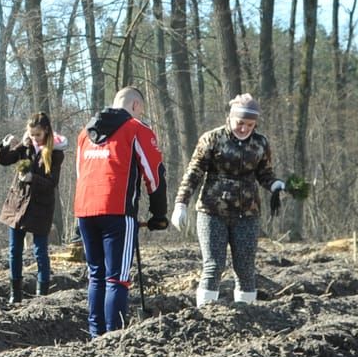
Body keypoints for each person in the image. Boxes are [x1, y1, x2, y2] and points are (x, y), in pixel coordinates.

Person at [72, 87, 169, 336]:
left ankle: (96, 335)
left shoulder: (85, 133)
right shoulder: (136, 129)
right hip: (117, 211)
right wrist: (159, 215)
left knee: (97, 275)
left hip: (85, 209)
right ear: (136, 105)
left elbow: (80, 175)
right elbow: (154, 174)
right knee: (117, 277)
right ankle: (114, 337)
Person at [172, 95, 282, 307]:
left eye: (249, 125)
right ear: (230, 119)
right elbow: (194, 172)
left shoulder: (260, 143)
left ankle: (246, 315)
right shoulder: (212, 139)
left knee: (245, 268)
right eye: (240, 123)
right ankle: (205, 316)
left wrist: (275, 185)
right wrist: (181, 203)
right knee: (213, 266)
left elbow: (265, 173)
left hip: (247, 215)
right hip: (212, 212)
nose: (244, 128)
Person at [0, 112, 64, 301]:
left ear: (46, 132)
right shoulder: (25, 146)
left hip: (40, 208)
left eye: (38, 135)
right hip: (17, 204)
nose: (34, 138)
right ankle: (14, 293)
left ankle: (42, 294)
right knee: (14, 250)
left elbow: (52, 183)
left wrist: (32, 178)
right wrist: (5, 145)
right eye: (31, 134)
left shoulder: (56, 153)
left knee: (40, 251)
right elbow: (4, 160)